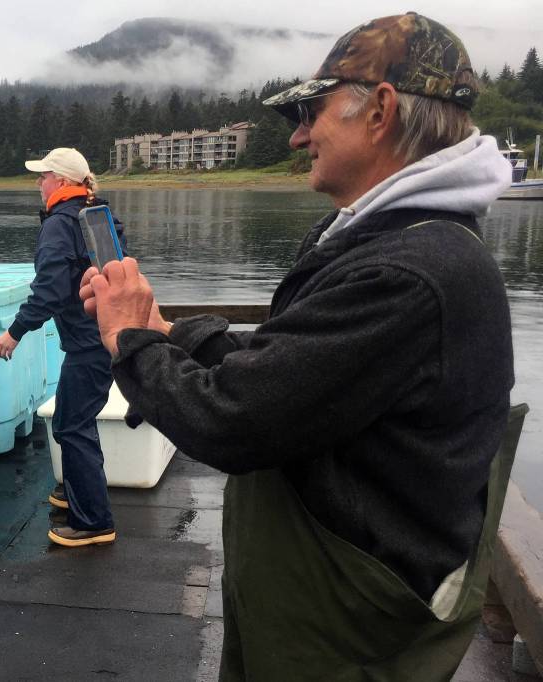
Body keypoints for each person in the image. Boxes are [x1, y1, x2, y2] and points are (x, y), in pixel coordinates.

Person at [82, 13, 515, 680]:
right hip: (326, 606)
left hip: (345, 631)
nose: (298, 135)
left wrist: (128, 340)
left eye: (313, 113)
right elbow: (287, 372)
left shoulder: (407, 274)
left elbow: (235, 418)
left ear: (380, 111)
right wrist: (167, 333)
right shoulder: (401, 244)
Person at [0, 147, 126, 547]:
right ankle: (75, 494)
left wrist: (14, 332)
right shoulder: (100, 217)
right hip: (107, 336)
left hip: (87, 346)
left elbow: (49, 290)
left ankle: (93, 523)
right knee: (75, 418)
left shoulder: (59, 225)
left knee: (72, 425)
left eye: (44, 175)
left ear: (63, 182)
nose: (39, 182)